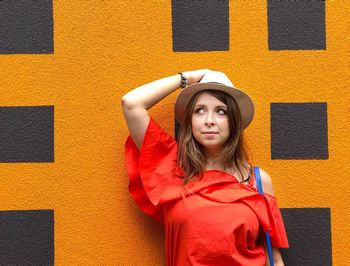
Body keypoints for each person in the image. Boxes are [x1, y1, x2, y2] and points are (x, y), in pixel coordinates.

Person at [121, 69, 289, 266]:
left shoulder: (258, 181)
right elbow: (131, 104)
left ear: (234, 121)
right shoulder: (171, 168)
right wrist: (189, 78)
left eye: (221, 111)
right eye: (200, 110)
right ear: (190, 120)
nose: (209, 120)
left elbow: (275, 260)